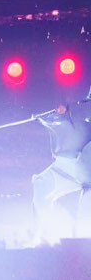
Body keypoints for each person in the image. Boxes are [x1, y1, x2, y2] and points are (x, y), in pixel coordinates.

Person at [32, 86, 91, 242]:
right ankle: (42, 237)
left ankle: (81, 247)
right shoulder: (81, 119)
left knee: (85, 214)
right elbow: (62, 122)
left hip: (87, 175)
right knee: (41, 185)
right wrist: (54, 114)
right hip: (69, 167)